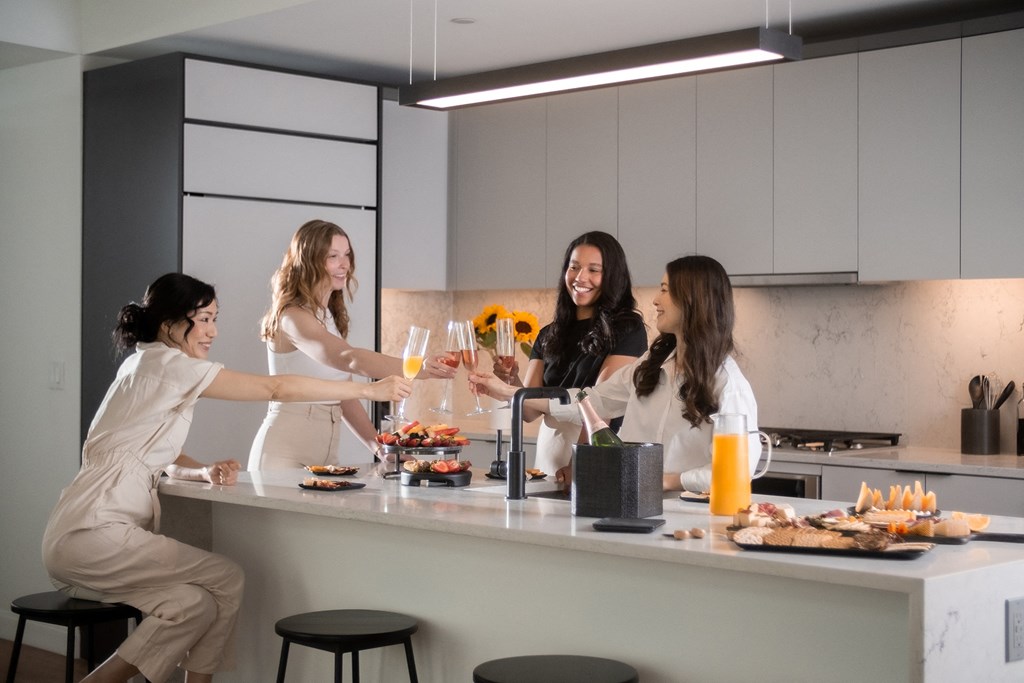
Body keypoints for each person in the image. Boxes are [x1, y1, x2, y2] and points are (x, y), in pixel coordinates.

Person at [41, 273, 411, 683]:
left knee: (191, 604)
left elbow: (153, 455)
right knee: (227, 576)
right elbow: (276, 388)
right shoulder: (169, 365)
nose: (212, 331)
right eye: (203, 319)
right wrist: (366, 391)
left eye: (215, 318)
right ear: (168, 323)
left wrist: (200, 470)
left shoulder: (141, 363)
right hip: (95, 532)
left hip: (75, 531)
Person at [471, 255, 760, 493]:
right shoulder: (654, 363)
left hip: (687, 516)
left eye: (665, 289)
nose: (656, 300)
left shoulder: (727, 384)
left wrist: (666, 480)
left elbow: (736, 471)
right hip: (631, 502)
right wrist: (513, 394)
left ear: (693, 300)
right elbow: (591, 401)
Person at [248, 219, 453, 471]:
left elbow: (343, 393)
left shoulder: (326, 317)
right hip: (283, 454)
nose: (344, 264)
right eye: (332, 256)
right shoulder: (292, 317)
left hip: (325, 457)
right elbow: (349, 358)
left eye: (346, 255)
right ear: (308, 260)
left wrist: (379, 448)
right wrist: (415, 368)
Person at [491, 231, 647, 475]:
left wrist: (581, 462)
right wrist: (510, 380)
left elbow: (601, 406)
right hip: (547, 453)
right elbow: (529, 411)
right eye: (574, 267)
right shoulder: (548, 334)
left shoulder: (628, 329)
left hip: (595, 453)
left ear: (613, 276)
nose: (580, 277)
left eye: (594, 270)